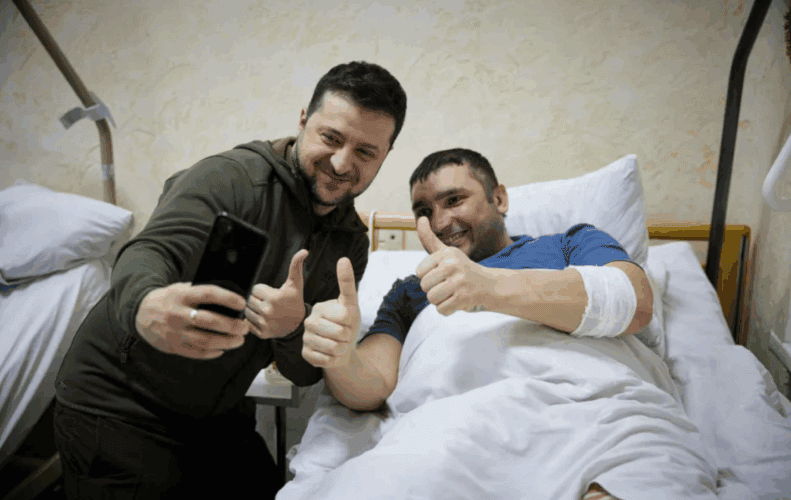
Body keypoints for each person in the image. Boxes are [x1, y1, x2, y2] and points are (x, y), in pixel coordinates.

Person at [52, 61, 407, 499]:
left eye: (365, 152)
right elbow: (152, 250)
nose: (340, 163)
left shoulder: (349, 243)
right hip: (120, 407)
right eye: (331, 138)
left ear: (386, 155)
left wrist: (291, 327)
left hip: (218, 420)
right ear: (303, 121)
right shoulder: (233, 179)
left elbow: (302, 373)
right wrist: (144, 304)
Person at [301, 148, 653, 500]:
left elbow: (634, 301)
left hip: (591, 414)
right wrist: (340, 356)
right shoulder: (411, 291)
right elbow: (373, 385)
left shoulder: (568, 244)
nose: (440, 223)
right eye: (424, 212)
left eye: (454, 200)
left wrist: (487, 287)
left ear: (499, 198)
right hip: (456, 431)